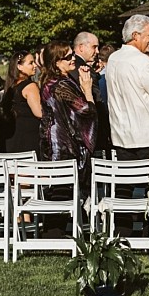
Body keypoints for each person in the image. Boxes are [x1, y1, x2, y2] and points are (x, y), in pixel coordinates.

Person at [106, 14, 149, 161]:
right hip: (147, 139)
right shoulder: (142, 61)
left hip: (121, 137)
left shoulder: (113, 58)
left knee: (126, 181)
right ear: (135, 35)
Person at [39, 39, 97, 192]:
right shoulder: (61, 85)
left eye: (72, 55)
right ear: (57, 62)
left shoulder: (52, 82)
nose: (73, 59)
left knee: (58, 191)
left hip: (54, 141)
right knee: (63, 192)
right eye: (68, 57)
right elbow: (86, 111)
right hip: (63, 145)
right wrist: (87, 89)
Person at [2, 50, 42, 153]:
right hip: (29, 141)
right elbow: (39, 112)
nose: (35, 66)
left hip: (11, 140)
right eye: (30, 63)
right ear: (19, 66)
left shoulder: (11, 87)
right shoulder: (30, 86)